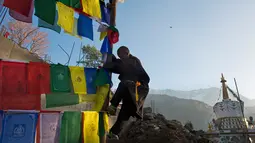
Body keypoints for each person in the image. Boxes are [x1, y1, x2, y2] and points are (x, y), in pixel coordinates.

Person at [103, 46, 150, 139]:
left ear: (127, 52)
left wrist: (108, 63)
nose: (120, 57)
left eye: (121, 55)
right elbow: (119, 65)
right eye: (119, 56)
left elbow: (119, 66)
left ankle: (113, 105)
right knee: (125, 112)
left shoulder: (133, 61)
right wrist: (111, 58)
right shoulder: (126, 62)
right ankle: (113, 134)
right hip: (131, 91)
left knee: (124, 83)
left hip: (139, 88)